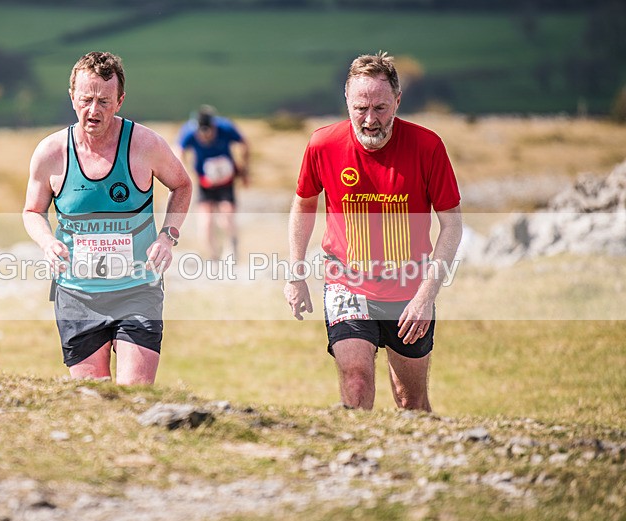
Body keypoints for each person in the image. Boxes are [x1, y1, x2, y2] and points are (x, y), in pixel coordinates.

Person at [284, 52, 462, 411]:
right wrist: (295, 272)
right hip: (346, 283)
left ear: (398, 101)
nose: (369, 120)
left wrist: (427, 295)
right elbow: (303, 205)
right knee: (356, 378)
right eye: (360, 108)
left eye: (380, 108)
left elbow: (452, 223)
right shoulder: (323, 144)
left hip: (409, 287)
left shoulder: (427, 147)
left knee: (410, 401)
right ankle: (357, 463)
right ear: (347, 102)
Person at [23, 51, 192, 384]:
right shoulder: (51, 153)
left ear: (120, 101)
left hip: (137, 289)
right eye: (86, 99)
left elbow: (182, 185)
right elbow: (32, 211)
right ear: (72, 97)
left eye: (104, 101)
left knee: (134, 393)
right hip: (76, 292)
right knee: (93, 399)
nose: (93, 110)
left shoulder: (144, 145)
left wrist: (167, 236)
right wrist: (46, 241)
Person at [176, 105, 249, 261]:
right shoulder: (189, 131)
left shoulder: (225, 127)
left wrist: (244, 170)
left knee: (227, 217)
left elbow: (244, 143)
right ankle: (213, 255)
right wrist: (185, 175)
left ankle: (232, 248)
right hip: (205, 182)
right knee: (206, 223)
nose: (205, 135)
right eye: (201, 132)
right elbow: (179, 151)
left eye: (208, 132)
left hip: (226, 180)